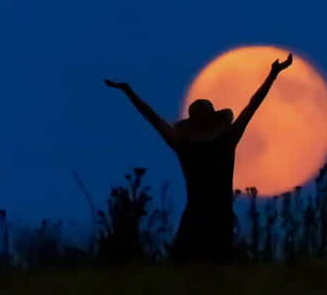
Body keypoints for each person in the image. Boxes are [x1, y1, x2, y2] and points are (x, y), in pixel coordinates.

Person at [103, 52, 293, 264]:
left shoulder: (185, 147)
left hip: (194, 217)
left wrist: (129, 92)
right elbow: (251, 106)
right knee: (219, 271)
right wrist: (272, 74)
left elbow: (154, 119)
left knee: (185, 272)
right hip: (222, 218)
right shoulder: (227, 141)